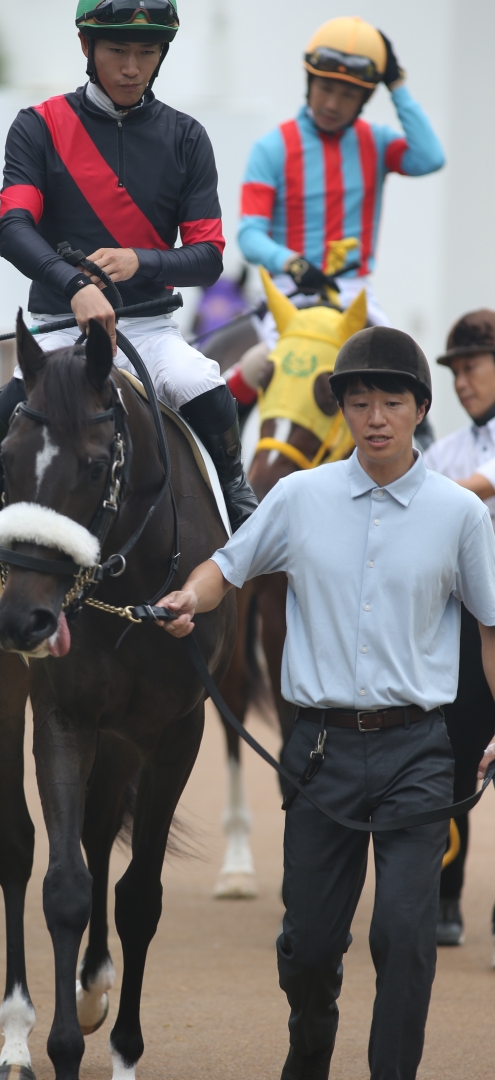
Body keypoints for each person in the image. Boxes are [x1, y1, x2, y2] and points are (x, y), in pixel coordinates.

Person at [157, 326, 495, 1080]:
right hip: (319, 752)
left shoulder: (459, 515)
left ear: (418, 409)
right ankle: (308, 1052)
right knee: (309, 948)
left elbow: (491, 627)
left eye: (393, 402)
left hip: (418, 752)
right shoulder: (298, 498)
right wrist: (189, 595)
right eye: (361, 401)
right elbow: (227, 565)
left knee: (404, 940)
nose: (377, 417)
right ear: (342, 409)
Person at [0, 0, 258, 538]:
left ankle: (235, 491)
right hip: (57, 323)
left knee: (201, 380)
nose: (130, 67)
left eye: (146, 52)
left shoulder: (187, 138)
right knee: (24, 389)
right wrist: (74, 286)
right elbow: (14, 228)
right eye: (117, 50)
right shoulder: (39, 126)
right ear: (86, 47)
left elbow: (209, 257)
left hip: (147, 327)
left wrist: (139, 260)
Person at [238, 17, 445, 347]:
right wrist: (292, 263)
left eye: (348, 94)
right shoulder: (272, 147)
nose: (333, 104)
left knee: (401, 367)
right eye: (326, 88)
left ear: (364, 100)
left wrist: (397, 85)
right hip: (289, 289)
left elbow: (430, 157)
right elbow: (249, 235)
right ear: (309, 82)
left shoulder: (377, 142)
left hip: (353, 291)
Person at [423, 310, 495, 950]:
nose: (461, 382)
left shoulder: (452, 467)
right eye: (454, 371)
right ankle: (447, 896)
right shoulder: (443, 449)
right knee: (456, 759)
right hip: (473, 628)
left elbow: (468, 493)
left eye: (470, 367)